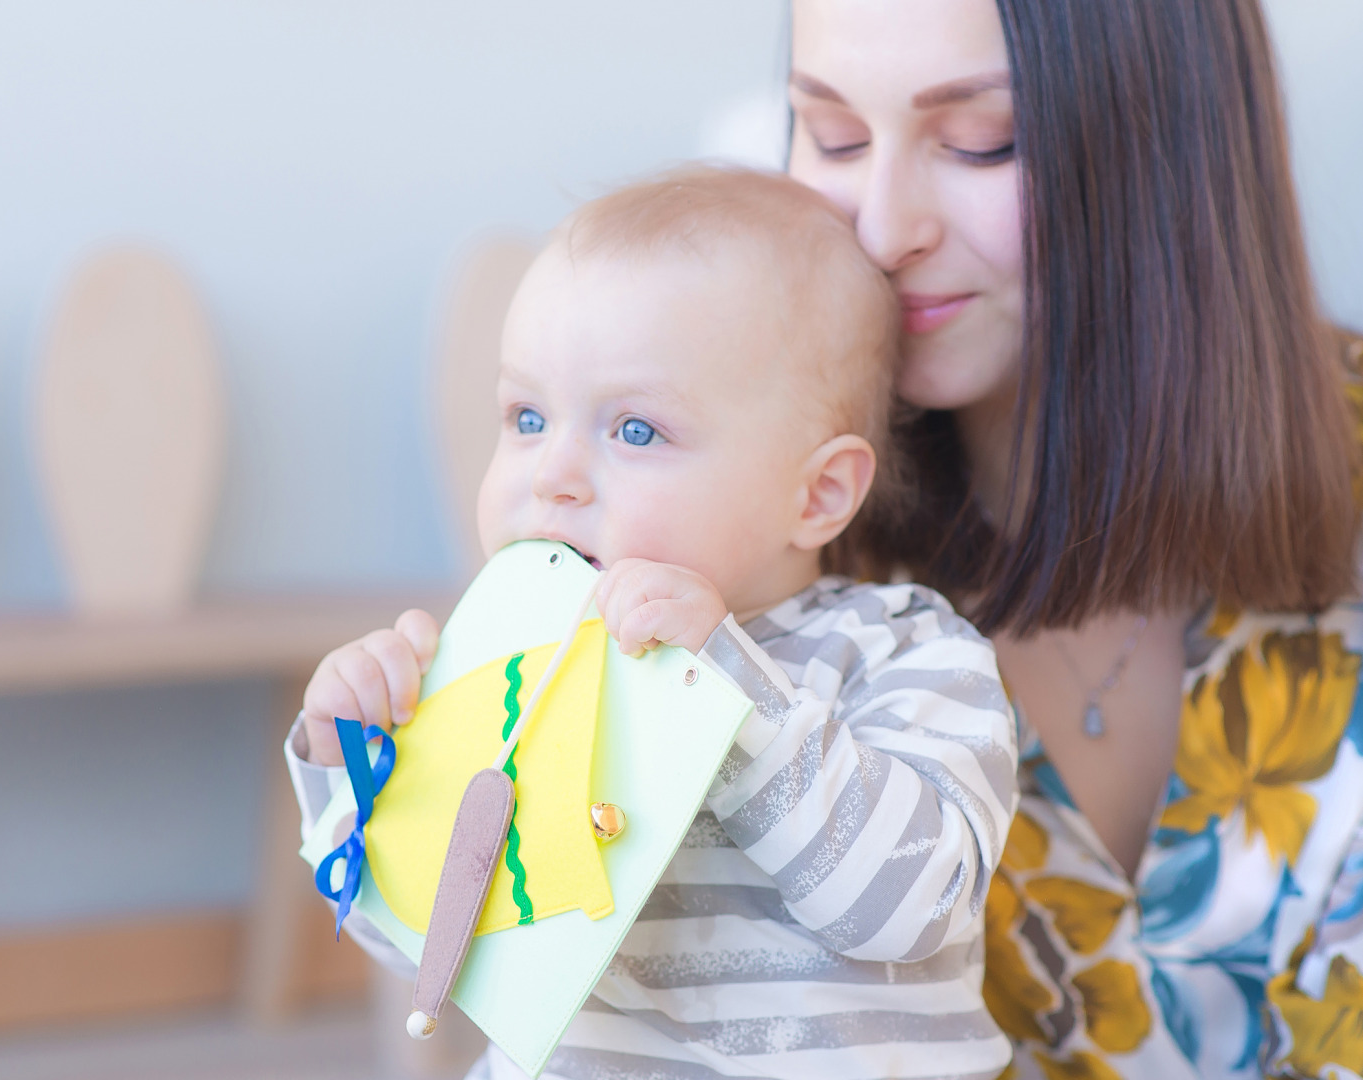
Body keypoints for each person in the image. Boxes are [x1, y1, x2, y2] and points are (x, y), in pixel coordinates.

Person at [288, 166, 1020, 1079]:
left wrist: (727, 686)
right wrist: (353, 763)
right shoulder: (518, 671)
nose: (551, 473)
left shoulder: (905, 651)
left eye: (634, 431)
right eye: (524, 416)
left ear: (818, 493)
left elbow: (911, 907)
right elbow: (426, 953)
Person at [783, 0, 1363, 1077]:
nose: (880, 227)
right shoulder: (776, 552)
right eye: (834, 137)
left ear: (1168, 134)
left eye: (978, 140)